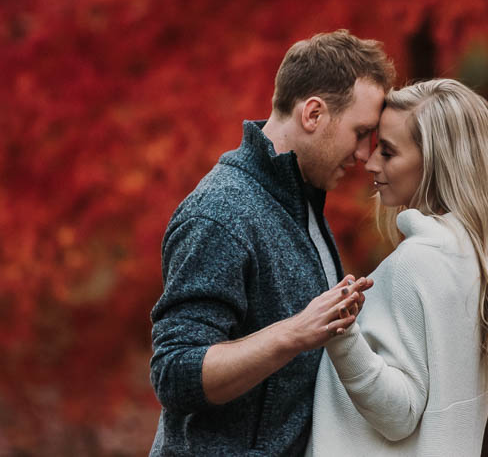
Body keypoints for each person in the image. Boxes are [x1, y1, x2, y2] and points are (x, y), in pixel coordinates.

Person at [149, 30, 396, 456]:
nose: (362, 154)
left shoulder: (302, 203)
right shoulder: (220, 214)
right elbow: (175, 373)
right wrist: (296, 332)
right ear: (314, 113)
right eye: (360, 133)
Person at [307, 78, 488, 455]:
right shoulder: (479, 257)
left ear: (435, 161)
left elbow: (400, 413)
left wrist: (339, 332)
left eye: (387, 152)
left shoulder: (414, 265)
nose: (368, 162)